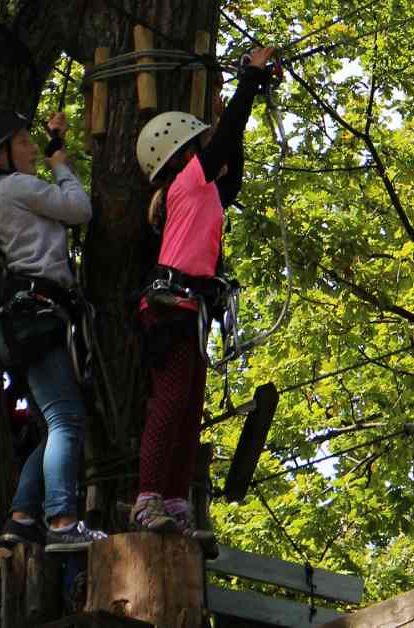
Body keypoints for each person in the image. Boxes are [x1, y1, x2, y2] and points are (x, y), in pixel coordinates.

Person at [130, 47, 277, 550]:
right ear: (182, 154)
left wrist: (235, 108)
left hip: (189, 311)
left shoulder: (204, 191)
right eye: (200, 144)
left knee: (189, 409)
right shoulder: (185, 184)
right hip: (171, 310)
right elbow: (225, 144)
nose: (207, 150)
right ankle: (148, 497)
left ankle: (172, 500)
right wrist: (249, 80)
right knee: (170, 405)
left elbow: (231, 166)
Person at [0, 105, 106, 552]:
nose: (32, 151)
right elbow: (80, 210)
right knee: (66, 420)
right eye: (23, 143)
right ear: (0, 156)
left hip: (22, 322)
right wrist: (61, 165)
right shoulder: (16, 187)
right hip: (37, 318)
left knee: (51, 425)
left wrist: (54, 140)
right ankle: (61, 520)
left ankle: (23, 517)